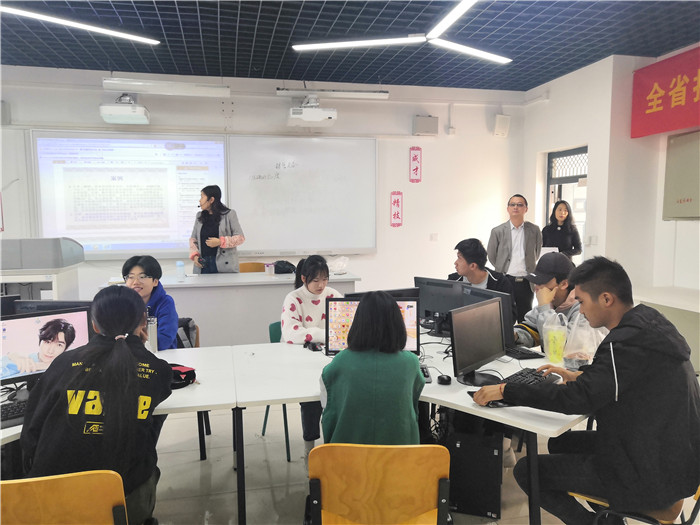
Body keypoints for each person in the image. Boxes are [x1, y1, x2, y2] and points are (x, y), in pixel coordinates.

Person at [473, 257, 700, 525]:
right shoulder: (647, 325)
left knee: (527, 471)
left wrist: (507, 390)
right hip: (673, 459)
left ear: (606, 299)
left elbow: (576, 400)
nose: (580, 311)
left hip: (650, 477)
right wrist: (579, 376)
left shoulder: (623, 344)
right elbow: (628, 380)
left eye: (581, 301)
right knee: (560, 443)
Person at [21, 286, 173, 525]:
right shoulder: (158, 369)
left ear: (94, 325)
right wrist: (139, 348)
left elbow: (31, 430)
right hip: (120, 503)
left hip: (50, 504)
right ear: (143, 321)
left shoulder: (63, 363)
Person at [320, 291, 425, 444]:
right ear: (397, 324)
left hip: (346, 455)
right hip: (400, 456)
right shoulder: (411, 362)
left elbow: (327, 403)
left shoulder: (341, 360)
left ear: (358, 323)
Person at [280, 255, 342, 458]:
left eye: (325, 279)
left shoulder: (333, 295)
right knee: (312, 399)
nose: (321, 285)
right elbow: (291, 334)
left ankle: (336, 446)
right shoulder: (294, 298)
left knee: (340, 393)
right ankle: (310, 450)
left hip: (329, 359)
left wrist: (325, 335)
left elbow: (347, 324)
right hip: (301, 362)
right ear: (304, 278)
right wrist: (324, 334)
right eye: (316, 280)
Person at [514, 252, 604, 348]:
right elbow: (531, 330)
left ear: (564, 284)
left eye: (542, 282)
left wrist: (544, 307)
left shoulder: (583, 309)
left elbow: (560, 346)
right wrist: (516, 336)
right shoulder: (548, 304)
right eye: (535, 281)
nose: (536, 287)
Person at [487, 194, 542, 322]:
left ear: (526, 209)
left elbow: (537, 252)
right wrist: (502, 266)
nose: (516, 207)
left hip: (526, 281)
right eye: (512, 204)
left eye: (520, 204)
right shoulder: (497, 231)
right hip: (505, 279)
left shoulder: (534, 230)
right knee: (504, 316)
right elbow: (492, 255)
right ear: (508, 208)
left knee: (525, 318)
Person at [448, 238, 517, 322]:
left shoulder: (500, 282)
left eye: (459, 258)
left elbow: (510, 317)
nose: (455, 263)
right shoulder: (453, 281)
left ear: (473, 266)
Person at [122, 255, 179, 350]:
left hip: (161, 354)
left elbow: (165, 339)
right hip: (129, 354)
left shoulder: (165, 303)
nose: (135, 282)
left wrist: (135, 343)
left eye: (142, 277)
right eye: (130, 277)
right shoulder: (122, 303)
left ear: (155, 281)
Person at [189, 184, 245, 274]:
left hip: (224, 265)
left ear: (211, 200)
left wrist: (220, 242)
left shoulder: (229, 214)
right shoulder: (199, 216)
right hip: (203, 264)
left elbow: (240, 238)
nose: (200, 200)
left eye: (202, 197)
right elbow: (193, 240)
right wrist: (195, 256)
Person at [2, 318, 76, 374]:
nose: (50, 351)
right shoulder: (28, 360)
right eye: (47, 342)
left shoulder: (67, 361)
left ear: (65, 349)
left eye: (59, 345)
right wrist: (12, 356)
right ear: (40, 342)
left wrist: (41, 366)